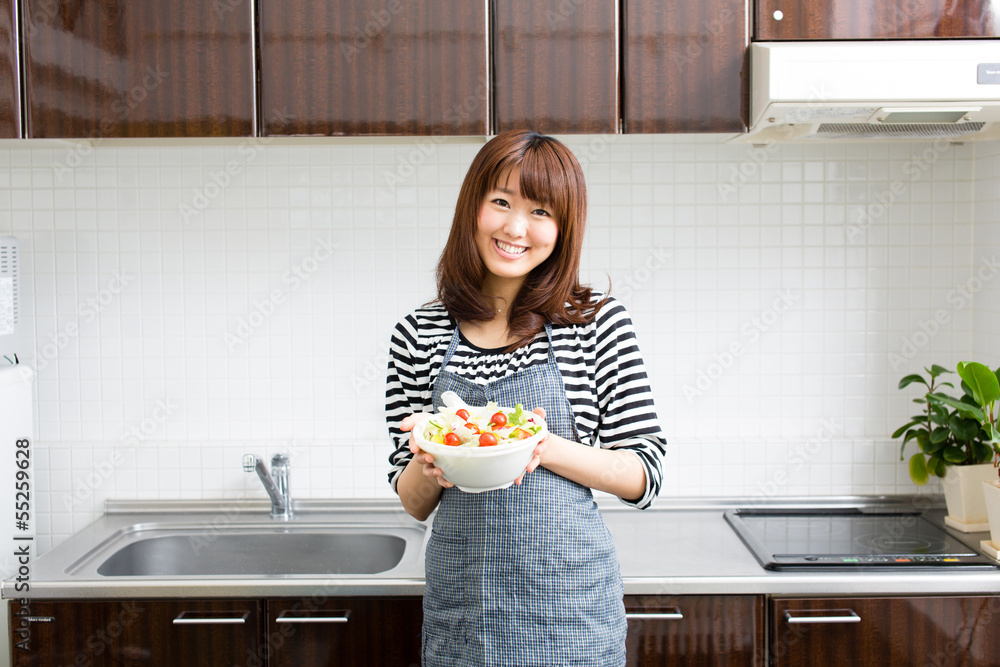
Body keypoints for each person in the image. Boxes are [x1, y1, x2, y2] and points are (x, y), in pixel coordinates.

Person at [385, 130, 667, 667]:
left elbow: (643, 476)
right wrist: (430, 459)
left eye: (541, 211)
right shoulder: (417, 334)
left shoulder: (597, 324)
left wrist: (538, 446)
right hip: (463, 619)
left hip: (571, 620)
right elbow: (413, 502)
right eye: (500, 202)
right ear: (473, 207)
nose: (516, 228)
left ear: (563, 229)